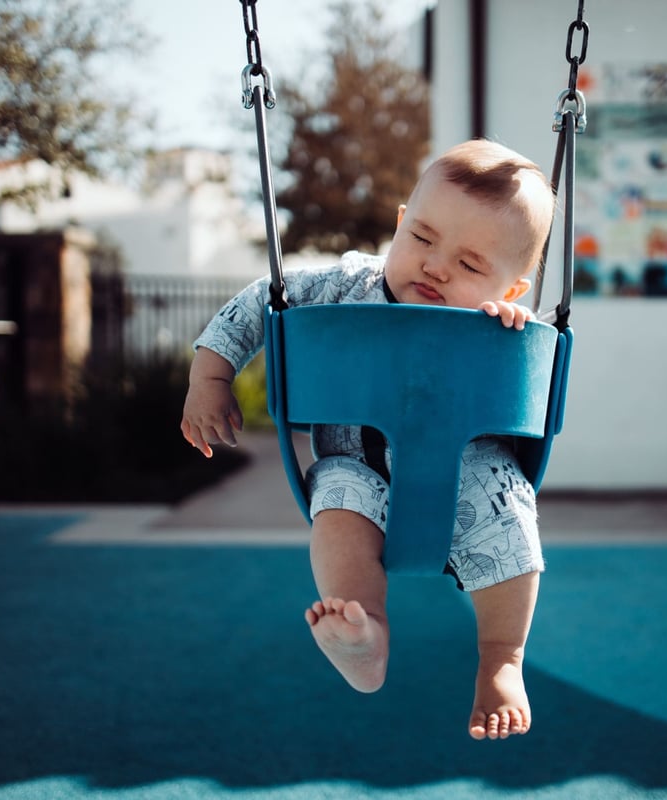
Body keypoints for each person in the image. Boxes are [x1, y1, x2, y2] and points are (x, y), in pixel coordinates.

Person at [180, 139, 556, 740]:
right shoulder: (343, 285)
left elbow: (528, 371)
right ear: (400, 224)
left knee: (511, 515)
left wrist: (515, 332)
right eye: (424, 239)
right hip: (356, 466)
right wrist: (212, 374)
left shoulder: (498, 323)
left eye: (471, 265)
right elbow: (260, 300)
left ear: (510, 289)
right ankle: (365, 630)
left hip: (469, 472)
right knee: (336, 506)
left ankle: (502, 660)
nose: (436, 266)